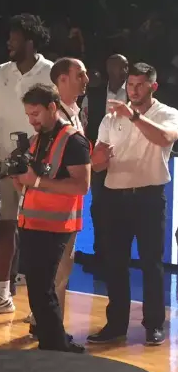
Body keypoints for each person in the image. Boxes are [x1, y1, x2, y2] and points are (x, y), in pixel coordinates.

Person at [88, 63, 178, 346]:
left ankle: (154, 324)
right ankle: (116, 325)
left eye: (140, 85)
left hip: (150, 196)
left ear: (153, 86)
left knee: (151, 263)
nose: (134, 90)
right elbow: (97, 164)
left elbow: (165, 138)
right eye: (130, 85)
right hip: (114, 197)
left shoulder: (168, 113)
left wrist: (134, 117)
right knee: (115, 263)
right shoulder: (110, 117)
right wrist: (98, 158)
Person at [13, 85, 90, 353]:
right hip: (31, 223)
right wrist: (19, 178)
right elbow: (26, 187)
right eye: (28, 115)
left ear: (52, 108)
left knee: (44, 289)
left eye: (35, 114)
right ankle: (55, 342)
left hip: (56, 226)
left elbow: (82, 186)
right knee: (38, 289)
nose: (31, 120)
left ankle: (55, 345)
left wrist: (35, 181)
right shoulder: (35, 141)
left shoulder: (74, 141)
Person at [0, 14, 52, 315]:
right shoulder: (0, 73)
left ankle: (43, 305)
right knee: (4, 228)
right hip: (3, 164)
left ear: (30, 41)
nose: (9, 43)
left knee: (41, 235)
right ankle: (2, 294)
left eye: (15, 38)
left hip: (40, 165)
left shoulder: (50, 72)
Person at [82, 53, 129, 274]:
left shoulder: (134, 93)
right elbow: (84, 125)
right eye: (116, 66)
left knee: (122, 211)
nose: (121, 70)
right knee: (99, 208)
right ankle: (100, 256)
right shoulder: (94, 94)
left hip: (127, 161)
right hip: (99, 160)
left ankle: (119, 261)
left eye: (124, 67)